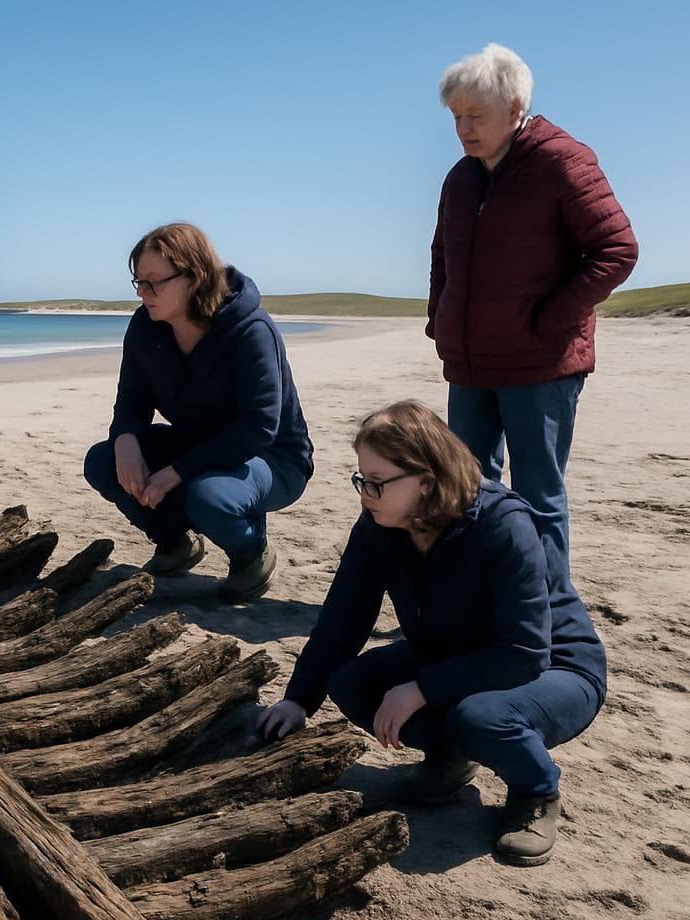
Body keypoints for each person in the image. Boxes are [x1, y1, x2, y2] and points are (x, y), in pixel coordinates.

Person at [257, 401, 606, 867]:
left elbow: (523, 653)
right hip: (453, 652)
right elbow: (345, 616)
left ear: (426, 480)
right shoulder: (382, 524)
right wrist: (298, 699)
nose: (365, 493)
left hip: (552, 668)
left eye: (377, 483)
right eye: (361, 480)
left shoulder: (503, 525)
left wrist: (422, 688)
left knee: (481, 716)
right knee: (350, 681)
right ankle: (450, 760)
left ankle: (536, 792)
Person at [429, 43, 637, 571]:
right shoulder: (461, 177)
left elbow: (616, 251)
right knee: (467, 490)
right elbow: (442, 258)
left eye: (476, 116)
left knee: (539, 498)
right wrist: (441, 320)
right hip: (471, 364)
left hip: (540, 366)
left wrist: (547, 322)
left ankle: (546, 617)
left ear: (516, 108)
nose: (464, 129)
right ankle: (479, 604)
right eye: (457, 116)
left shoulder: (562, 161)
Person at [83, 223, 313, 603]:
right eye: (137, 282)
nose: (143, 293)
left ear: (195, 276)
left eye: (154, 282)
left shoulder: (250, 330)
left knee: (208, 497)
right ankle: (175, 543)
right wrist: (125, 439)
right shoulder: (146, 327)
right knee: (104, 462)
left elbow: (258, 426)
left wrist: (176, 472)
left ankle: (251, 553)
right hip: (198, 445)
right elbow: (131, 402)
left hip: (272, 456)